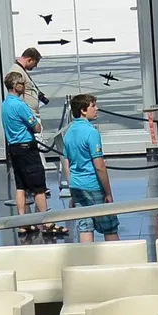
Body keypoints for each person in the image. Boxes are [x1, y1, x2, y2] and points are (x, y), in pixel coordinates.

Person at [2, 72, 52, 239]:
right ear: (16, 86)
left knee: (21, 185)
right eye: (22, 84)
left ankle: (23, 222)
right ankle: (46, 222)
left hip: (13, 148)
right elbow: (36, 127)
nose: (24, 87)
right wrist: (34, 125)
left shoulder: (5, 104)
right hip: (26, 148)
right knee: (38, 186)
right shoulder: (20, 105)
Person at [64, 94, 118, 243]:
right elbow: (99, 165)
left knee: (85, 226)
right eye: (93, 105)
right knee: (109, 225)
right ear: (83, 110)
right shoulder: (91, 133)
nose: (96, 108)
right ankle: (118, 260)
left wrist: (71, 185)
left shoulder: (68, 133)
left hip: (76, 184)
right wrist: (108, 192)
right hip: (92, 184)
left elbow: (66, 162)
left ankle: (87, 261)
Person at [7, 47, 48, 114]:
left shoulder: (21, 70)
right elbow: (16, 94)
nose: (36, 66)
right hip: (27, 115)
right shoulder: (17, 72)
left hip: (29, 114)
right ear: (29, 60)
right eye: (35, 63)